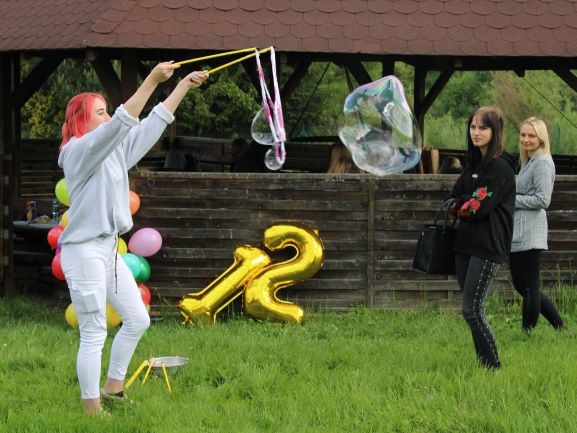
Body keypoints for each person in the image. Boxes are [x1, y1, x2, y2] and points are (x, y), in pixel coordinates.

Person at [58, 62, 208, 414]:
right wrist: (152, 79)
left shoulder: (113, 152)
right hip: (82, 252)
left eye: (108, 110)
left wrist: (182, 86)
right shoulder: (77, 153)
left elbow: (150, 125)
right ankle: (91, 409)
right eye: (101, 112)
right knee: (94, 331)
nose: (109, 116)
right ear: (81, 120)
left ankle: (113, 388)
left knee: (137, 319)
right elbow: (126, 119)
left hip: (108, 249)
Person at [446, 106, 516, 369]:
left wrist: (464, 202)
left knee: (471, 309)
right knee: (473, 309)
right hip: (464, 244)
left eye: (482, 127)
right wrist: (465, 202)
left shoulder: (501, 168)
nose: (476, 132)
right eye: (473, 127)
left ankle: (494, 366)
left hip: (488, 246)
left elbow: (477, 208)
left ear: (495, 131)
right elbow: (450, 201)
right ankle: (484, 366)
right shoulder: (471, 166)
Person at [509, 117, 564, 332]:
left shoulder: (542, 162)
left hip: (531, 232)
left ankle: (527, 333)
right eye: (523, 135)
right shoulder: (529, 161)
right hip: (518, 232)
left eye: (531, 136)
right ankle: (559, 326)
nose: (526, 139)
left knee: (529, 287)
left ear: (541, 138)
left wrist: (509, 200)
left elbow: (543, 200)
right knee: (522, 286)